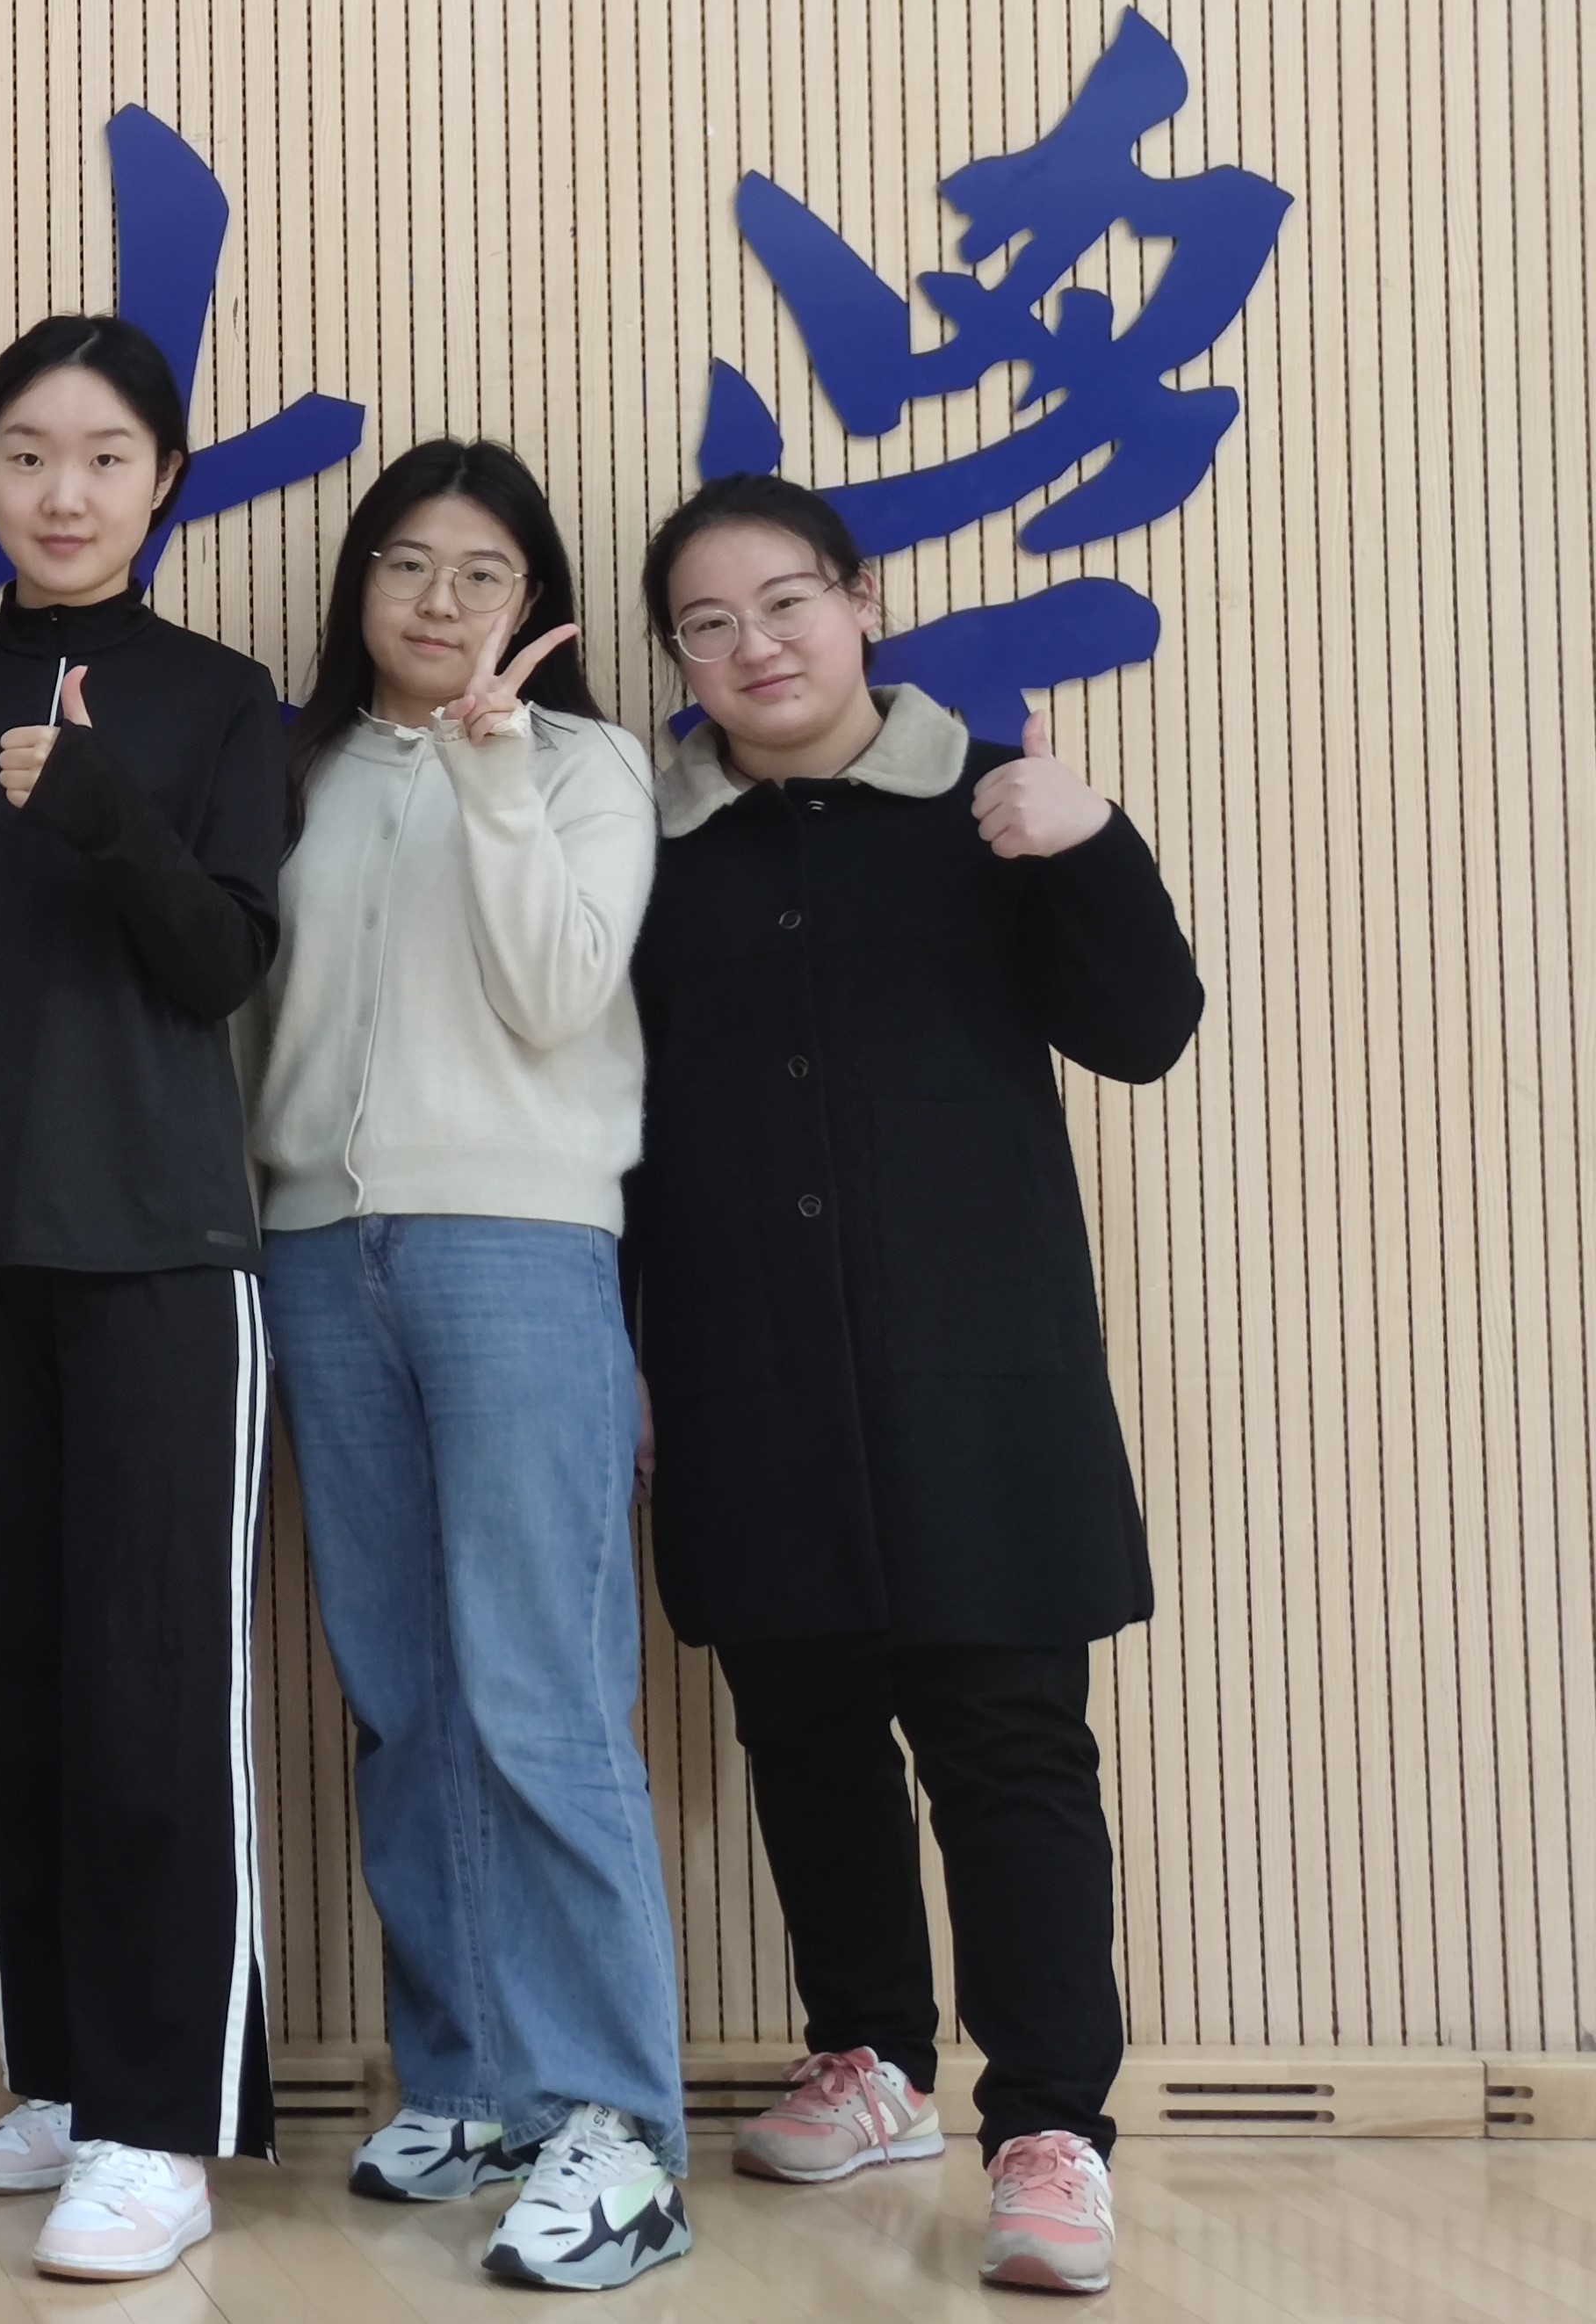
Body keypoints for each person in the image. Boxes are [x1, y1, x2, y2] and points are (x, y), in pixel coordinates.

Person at [627, 474, 1200, 2300]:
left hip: (975, 1363)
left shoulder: (993, 805)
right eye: (707, 626)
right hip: (742, 1358)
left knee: (1007, 1742)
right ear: (677, 660)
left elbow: (1145, 1030)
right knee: (801, 1727)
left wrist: (1094, 842)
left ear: (860, 600)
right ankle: (869, 2055)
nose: (754, 648)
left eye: (785, 602)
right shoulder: (654, 850)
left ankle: (1051, 2127)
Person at [0, 313, 287, 2284]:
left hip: (165, 1253)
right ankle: (73, 2078)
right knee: (15, 1681)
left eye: (103, 456)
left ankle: (165, 2126)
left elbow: (221, 964)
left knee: (159, 1696)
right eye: (26, 453)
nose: (63, 491)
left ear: (164, 483)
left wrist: (99, 805)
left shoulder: (226, 701)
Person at [242, 440, 690, 2291]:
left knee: (541, 1690)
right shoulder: (299, 772)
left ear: (537, 599)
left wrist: (496, 778)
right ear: (357, 586)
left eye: (483, 571)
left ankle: (621, 2131)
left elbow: (557, 993)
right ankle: (477, 2082)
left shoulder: (587, 767)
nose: (440, 601)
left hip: (514, 1237)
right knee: (406, 1694)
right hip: (313, 1254)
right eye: (407, 564)